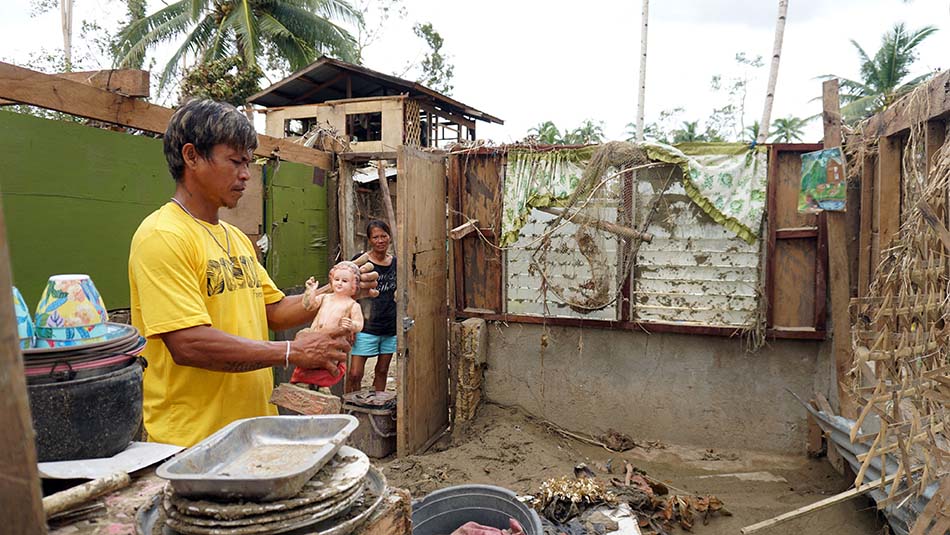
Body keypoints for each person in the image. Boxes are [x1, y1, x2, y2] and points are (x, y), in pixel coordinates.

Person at [128, 99, 377, 447]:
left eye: (248, 162)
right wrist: (291, 351)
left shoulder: (234, 239)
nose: (246, 173)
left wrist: (336, 295)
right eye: (235, 161)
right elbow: (189, 344)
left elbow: (272, 311)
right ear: (191, 156)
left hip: (254, 430)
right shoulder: (163, 236)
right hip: (191, 441)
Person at [290, 261, 364, 391]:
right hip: (314, 336)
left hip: (333, 340)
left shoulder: (352, 305)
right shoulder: (325, 297)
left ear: (354, 285)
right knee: (308, 360)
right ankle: (303, 382)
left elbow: (359, 325)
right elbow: (309, 305)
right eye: (337, 279)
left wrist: (352, 325)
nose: (339, 283)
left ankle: (323, 385)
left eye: (344, 281)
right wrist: (310, 291)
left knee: (327, 364)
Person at [347, 220, 397, 394]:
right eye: (376, 237)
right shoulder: (361, 262)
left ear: (389, 237)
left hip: (389, 326)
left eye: (384, 236)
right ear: (369, 240)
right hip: (365, 326)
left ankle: (376, 407)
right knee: (355, 374)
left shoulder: (395, 264)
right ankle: (352, 409)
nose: (380, 240)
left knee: (382, 371)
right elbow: (348, 294)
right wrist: (351, 325)